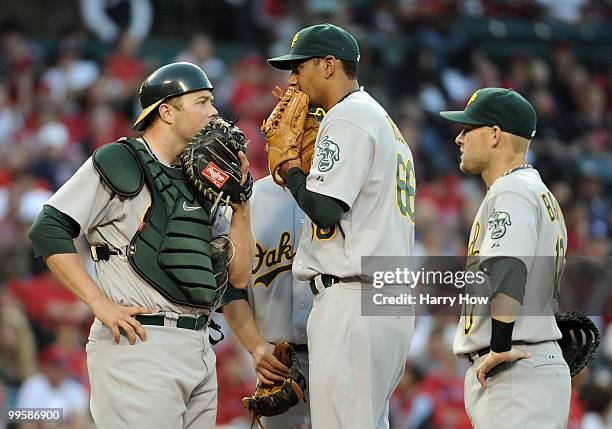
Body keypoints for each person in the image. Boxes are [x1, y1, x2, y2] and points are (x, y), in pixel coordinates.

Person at [28, 62, 254, 429]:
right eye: (202, 101)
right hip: (140, 343)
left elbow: (238, 277)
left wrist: (242, 206)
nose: (214, 111)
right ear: (167, 110)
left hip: (199, 346)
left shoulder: (203, 178)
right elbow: (48, 228)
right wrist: (99, 304)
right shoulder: (122, 159)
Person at [266, 23, 416, 429]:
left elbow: (326, 209)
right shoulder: (382, 121)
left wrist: (290, 169)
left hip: (354, 297)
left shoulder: (347, 116)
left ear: (329, 65)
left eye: (299, 67)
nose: (292, 79)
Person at [439, 87, 571, 428]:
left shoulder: (511, 190)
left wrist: (499, 344)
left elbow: (509, 267)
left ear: (495, 134)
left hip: (515, 367)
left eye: (469, 129)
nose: (459, 138)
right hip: (531, 363)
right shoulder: (538, 193)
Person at [221, 175, 313, 429]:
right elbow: (229, 289)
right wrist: (256, 346)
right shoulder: (247, 200)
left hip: (337, 356)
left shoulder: (344, 193)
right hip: (276, 368)